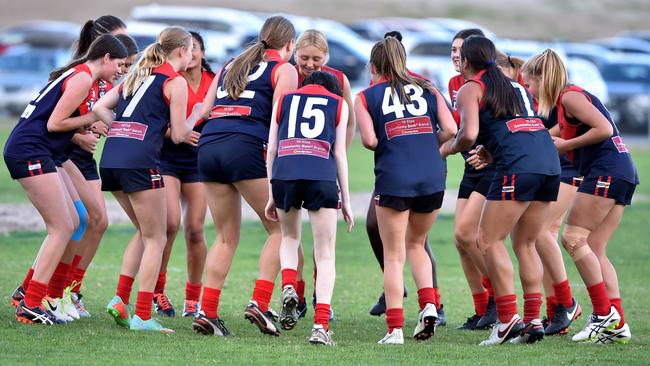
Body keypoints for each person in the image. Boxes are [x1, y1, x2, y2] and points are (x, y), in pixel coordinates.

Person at [440, 35, 561, 346]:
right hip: (547, 163)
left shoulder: (471, 86)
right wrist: (492, 153)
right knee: (526, 243)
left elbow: (468, 134)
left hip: (518, 166)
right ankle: (533, 320)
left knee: (487, 239)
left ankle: (507, 320)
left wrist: (447, 149)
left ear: (466, 61)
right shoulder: (515, 84)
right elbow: (521, 125)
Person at [10, 17, 133, 320]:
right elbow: (54, 123)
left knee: (73, 220)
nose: (120, 71)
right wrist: (91, 118)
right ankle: (33, 302)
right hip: (31, 151)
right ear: (105, 57)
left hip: (44, 151)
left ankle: (30, 294)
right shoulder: (81, 78)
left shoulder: (82, 75)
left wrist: (91, 120)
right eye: (119, 65)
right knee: (63, 226)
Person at [191, 16, 298, 337]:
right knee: (281, 229)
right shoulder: (285, 69)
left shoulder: (230, 65)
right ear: (289, 44)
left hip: (209, 145)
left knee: (225, 236)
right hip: (247, 146)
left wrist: (181, 131)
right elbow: (280, 121)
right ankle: (260, 302)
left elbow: (205, 110)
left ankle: (207, 311)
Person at [523, 49, 638, 344]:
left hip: (607, 170)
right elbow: (555, 132)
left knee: (573, 238)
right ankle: (618, 324)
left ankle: (602, 315)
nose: (529, 90)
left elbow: (604, 129)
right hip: (621, 171)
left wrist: (566, 146)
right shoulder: (565, 103)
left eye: (530, 84)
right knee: (595, 248)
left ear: (542, 78)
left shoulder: (570, 96)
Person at [95, 26, 198, 332]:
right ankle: (141, 314)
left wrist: (124, 131)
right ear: (181, 51)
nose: (193, 54)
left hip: (112, 159)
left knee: (144, 231)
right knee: (157, 238)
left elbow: (100, 106)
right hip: (141, 162)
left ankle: (119, 299)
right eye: (191, 49)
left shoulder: (138, 74)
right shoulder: (174, 82)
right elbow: (179, 135)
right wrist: (201, 112)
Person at [356, 36, 457, 345]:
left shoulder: (365, 96)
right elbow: (452, 129)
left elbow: (370, 141)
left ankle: (395, 329)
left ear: (373, 66)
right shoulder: (428, 88)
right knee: (417, 244)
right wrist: (425, 139)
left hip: (395, 176)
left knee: (394, 254)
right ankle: (429, 305)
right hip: (431, 178)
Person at [265, 71, 353, 345]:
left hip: (285, 174)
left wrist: (271, 192)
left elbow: (271, 149)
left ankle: (289, 283)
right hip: (321, 176)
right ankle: (320, 326)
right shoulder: (339, 104)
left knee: (290, 237)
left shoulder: (283, 101)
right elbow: (339, 153)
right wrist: (346, 201)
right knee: (325, 254)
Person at [291, 29, 356, 320]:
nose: (310, 64)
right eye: (304, 57)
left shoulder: (337, 79)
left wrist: (338, 153)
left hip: (323, 164)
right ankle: (296, 292)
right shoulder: (288, 74)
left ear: (326, 56)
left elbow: (349, 120)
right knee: (290, 234)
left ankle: (321, 296)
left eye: (316, 59)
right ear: (294, 53)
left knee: (323, 236)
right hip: (292, 161)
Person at [153, 31, 214, 318]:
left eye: (196, 50)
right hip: (168, 157)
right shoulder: (167, 79)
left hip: (199, 162)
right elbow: (154, 122)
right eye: (188, 49)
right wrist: (176, 134)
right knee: (169, 224)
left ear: (201, 53)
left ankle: (193, 299)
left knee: (195, 229)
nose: (191, 55)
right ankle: (157, 290)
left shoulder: (215, 82)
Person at [447, 28, 499, 331]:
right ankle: (484, 309)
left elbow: (505, 122)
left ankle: (499, 297)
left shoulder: (491, 81)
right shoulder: (456, 83)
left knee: (469, 234)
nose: (455, 54)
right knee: (459, 239)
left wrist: (450, 146)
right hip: (471, 165)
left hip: (490, 162)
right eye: (452, 49)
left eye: (460, 49)